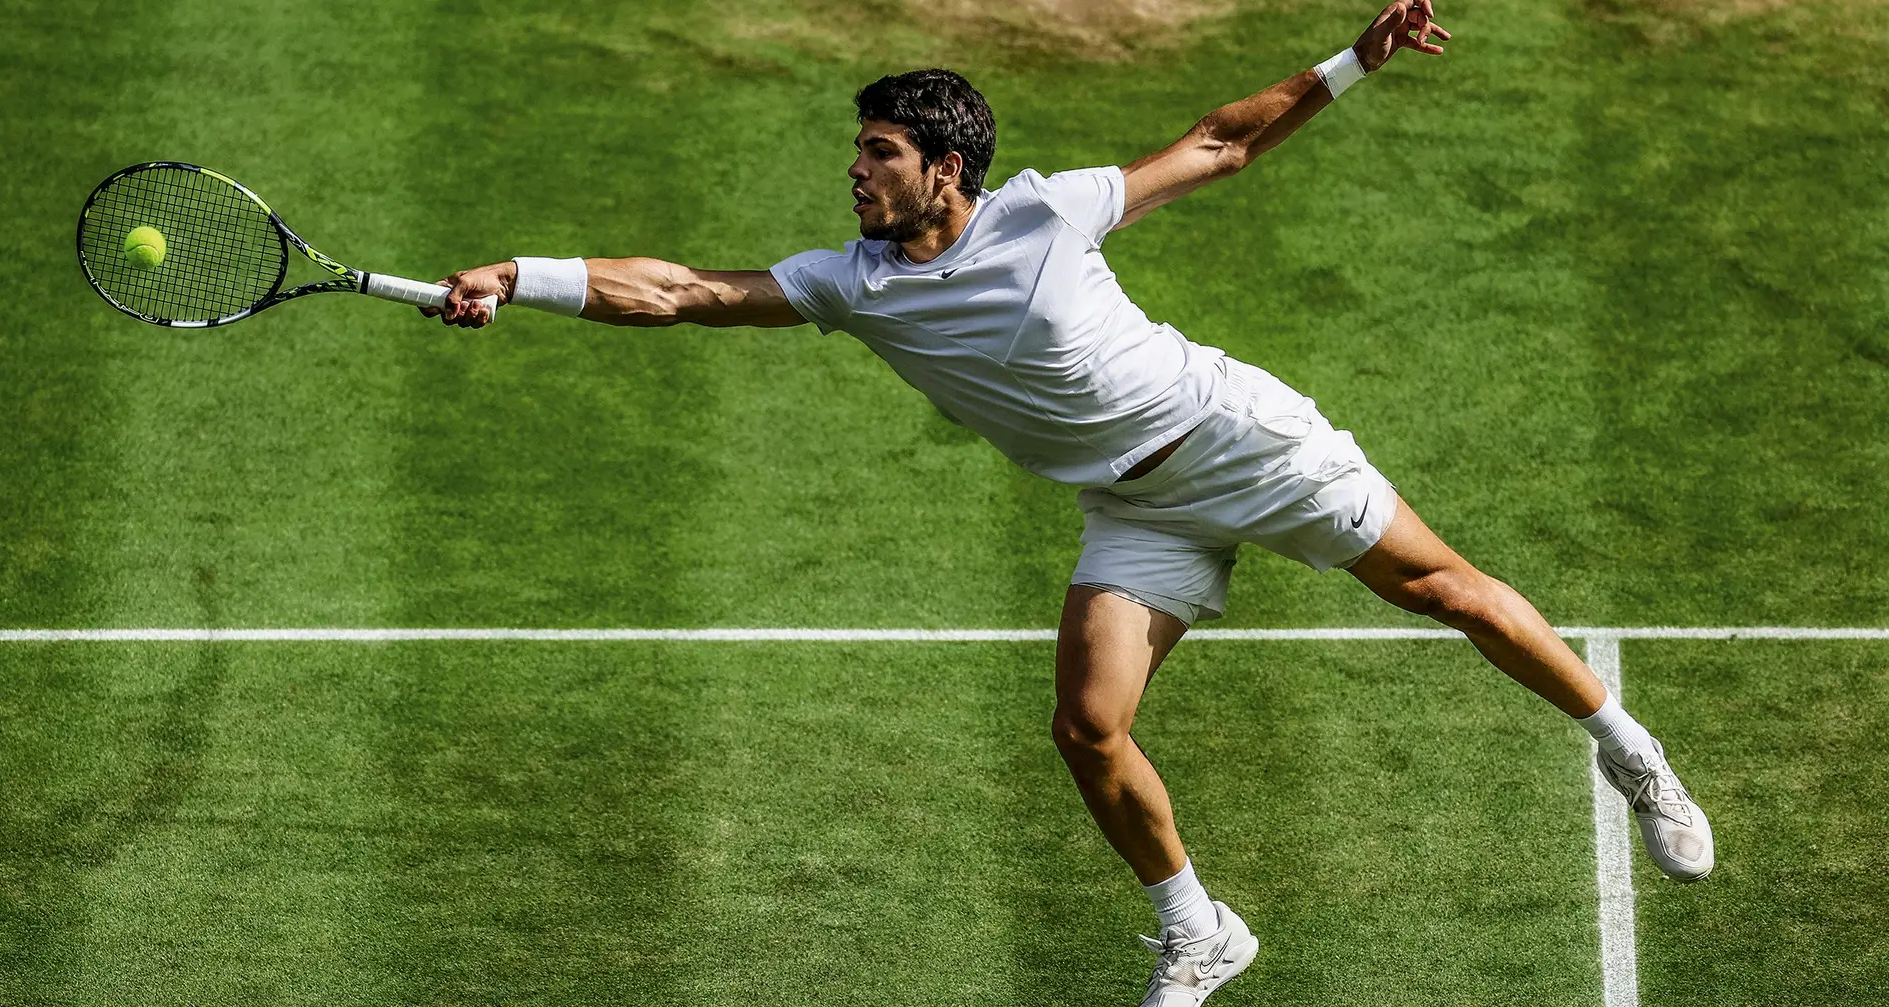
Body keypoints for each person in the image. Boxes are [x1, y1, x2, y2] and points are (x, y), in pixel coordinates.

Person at [424, 3, 1713, 1002]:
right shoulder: (852, 281)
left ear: (948, 168)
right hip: (1129, 508)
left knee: (1447, 593)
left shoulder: (1047, 213)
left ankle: (1631, 755)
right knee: (1087, 731)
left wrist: (1353, 59)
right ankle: (1199, 928)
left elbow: (1221, 142)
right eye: (858, 152)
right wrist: (519, 273)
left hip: (1236, 440)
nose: (857, 175)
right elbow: (680, 291)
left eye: (879, 154)